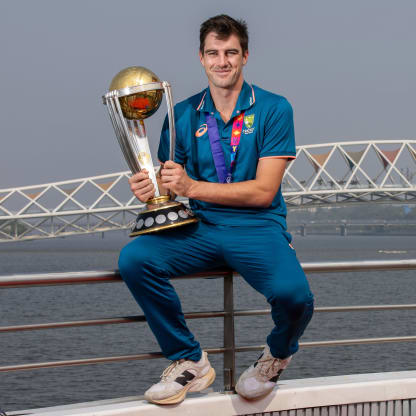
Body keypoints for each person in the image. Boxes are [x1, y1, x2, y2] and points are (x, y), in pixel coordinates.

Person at [118, 14, 314, 405]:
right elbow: (171, 188)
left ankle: (276, 354)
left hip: (257, 226)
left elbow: (263, 192)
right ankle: (188, 360)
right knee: (135, 259)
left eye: (230, 53)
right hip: (201, 226)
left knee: (296, 297)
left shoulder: (275, 108)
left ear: (244, 57)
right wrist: (150, 190)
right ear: (201, 58)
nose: (221, 61)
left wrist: (192, 186)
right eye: (213, 53)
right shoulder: (182, 115)